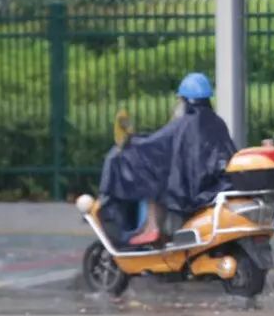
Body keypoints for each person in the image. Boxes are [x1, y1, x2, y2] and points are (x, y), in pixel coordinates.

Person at [99, 72, 237, 247]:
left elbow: (153, 146)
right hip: (215, 185)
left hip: (190, 191)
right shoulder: (217, 122)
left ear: (184, 100)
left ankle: (152, 227)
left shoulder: (183, 124)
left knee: (151, 172)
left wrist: (131, 143)